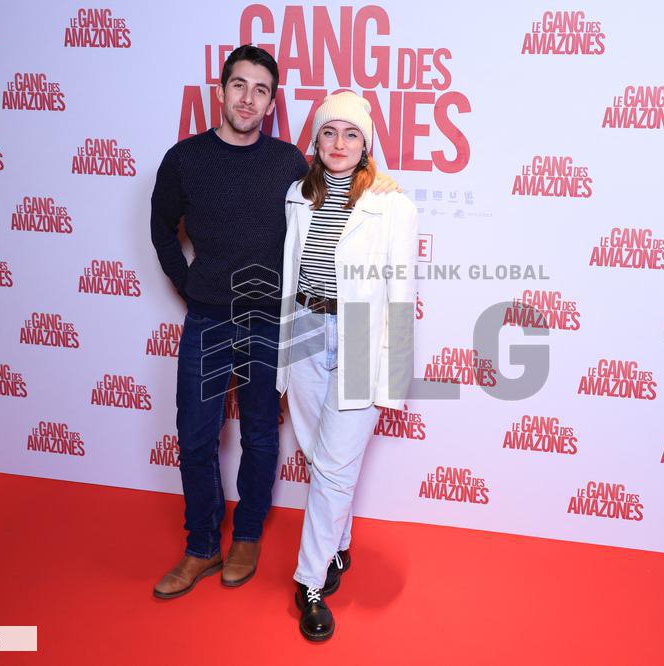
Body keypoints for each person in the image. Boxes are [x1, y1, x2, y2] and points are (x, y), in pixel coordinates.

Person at [150, 47, 398, 598]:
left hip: (270, 323)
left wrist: (380, 182)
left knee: (262, 434)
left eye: (261, 90)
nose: (248, 98)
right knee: (195, 436)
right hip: (210, 317)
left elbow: (343, 191)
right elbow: (162, 228)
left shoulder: (290, 164)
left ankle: (248, 536)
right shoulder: (184, 159)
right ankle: (200, 546)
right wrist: (189, 284)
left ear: (271, 101)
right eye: (239, 85)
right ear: (221, 90)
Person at [276, 91, 418, 641]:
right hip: (306, 330)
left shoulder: (394, 205)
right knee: (318, 455)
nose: (339, 144)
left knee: (334, 467)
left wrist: (394, 381)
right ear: (315, 142)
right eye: (329, 133)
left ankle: (309, 582)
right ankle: (337, 548)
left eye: (351, 135)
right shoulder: (297, 196)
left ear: (366, 146)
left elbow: (400, 297)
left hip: (359, 336)